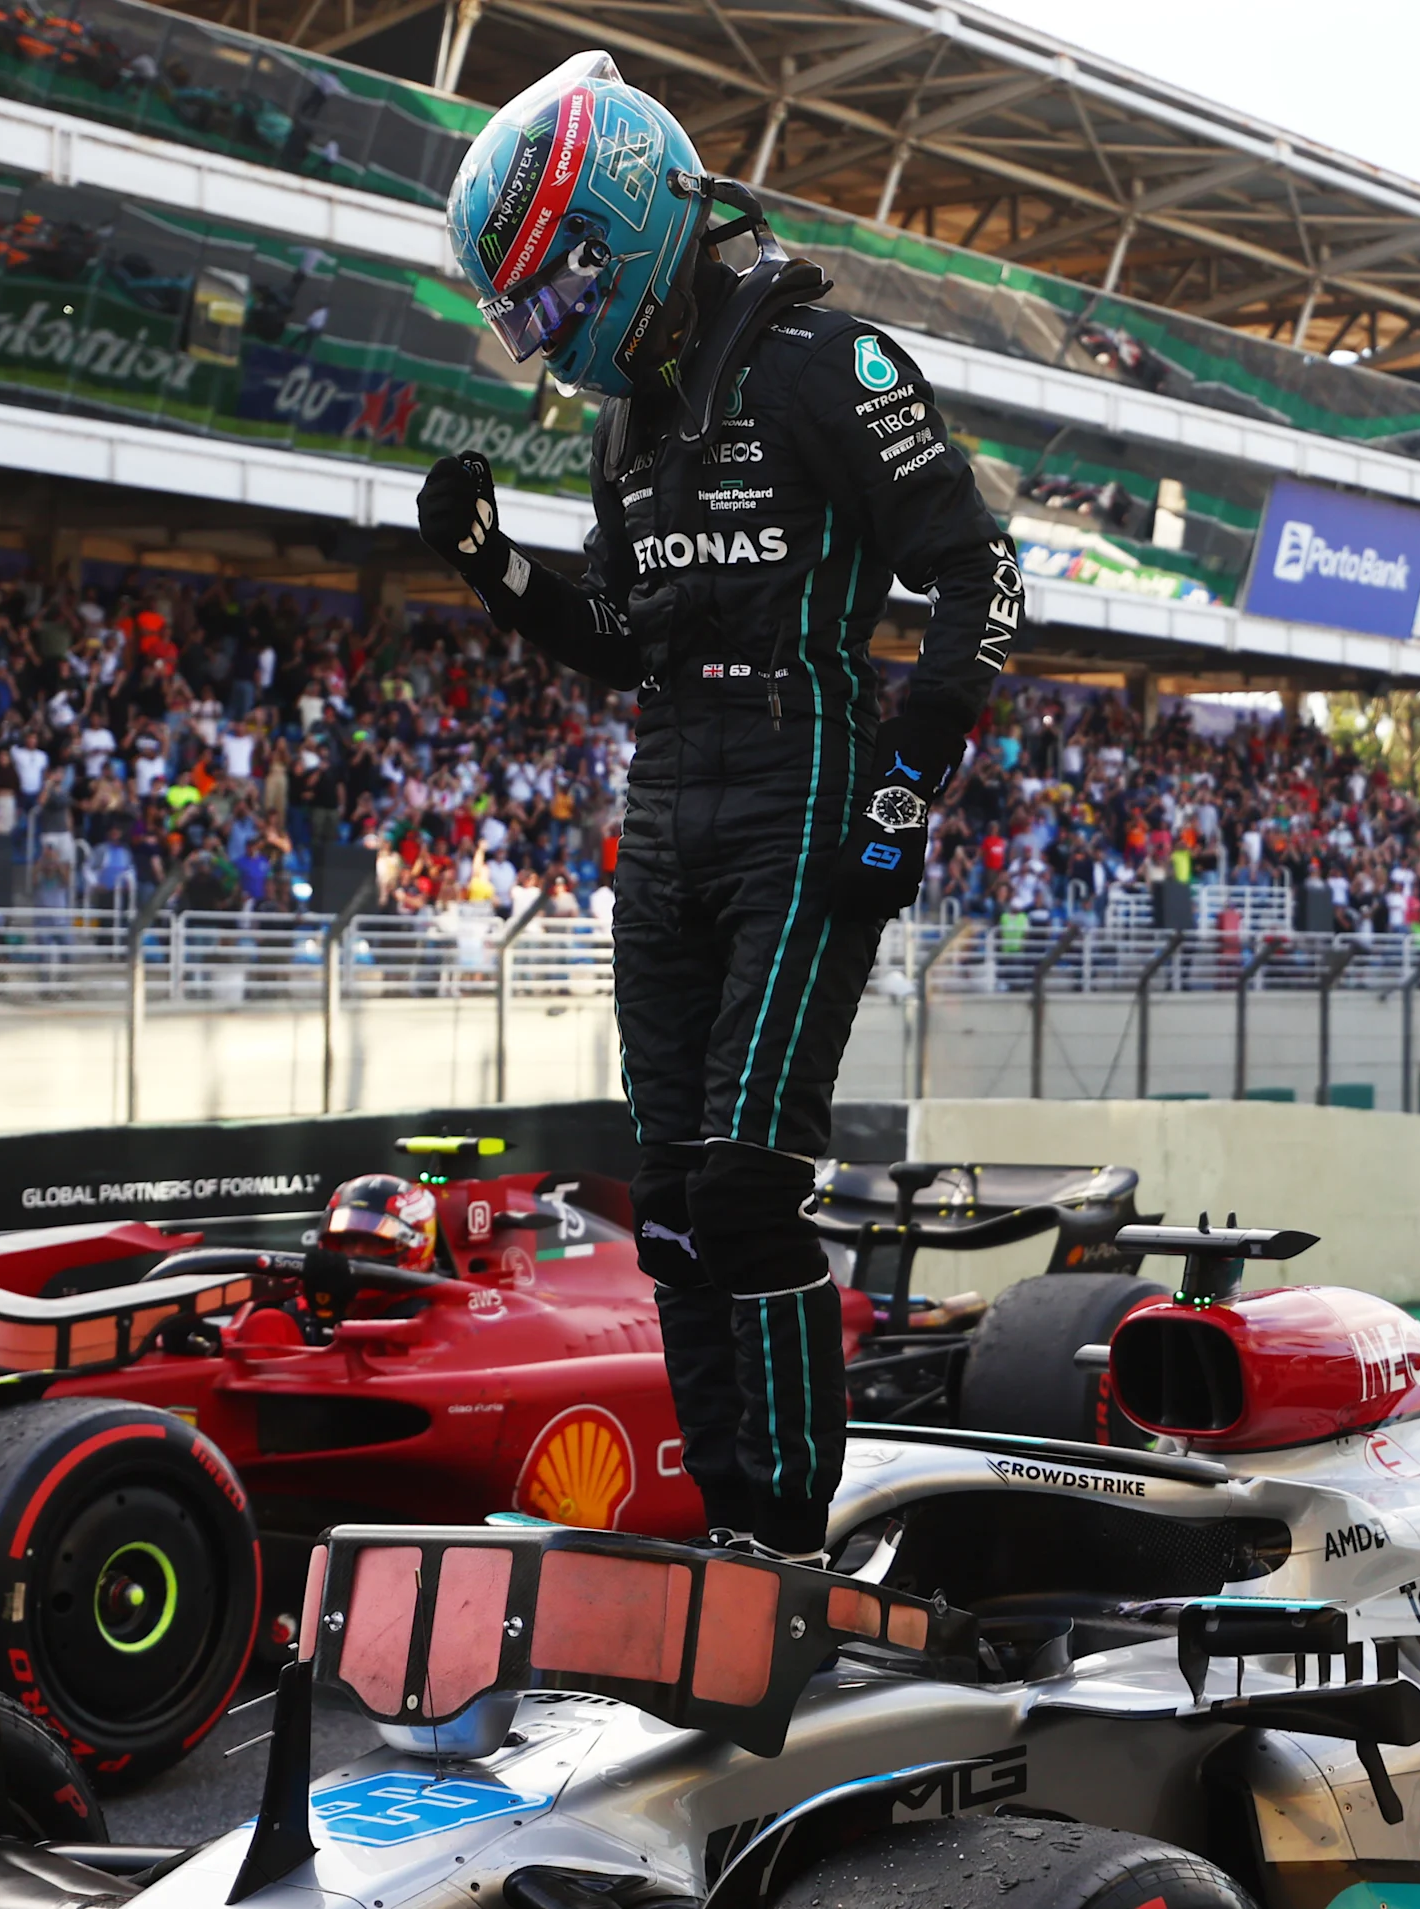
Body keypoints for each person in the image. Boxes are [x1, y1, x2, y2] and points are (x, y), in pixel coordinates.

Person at [416, 52, 1018, 1562]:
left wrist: (906, 776)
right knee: (676, 1207)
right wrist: (496, 568)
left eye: (554, 304)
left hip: (801, 766)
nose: (553, 347)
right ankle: (726, 1535)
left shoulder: (829, 364)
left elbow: (979, 573)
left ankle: (791, 1540)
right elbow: (622, 640)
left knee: (749, 1189)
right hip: (666, 782)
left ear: (617, 235)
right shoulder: (626, 430)